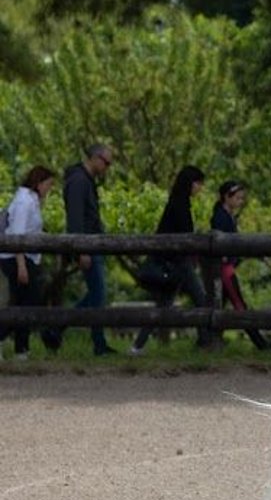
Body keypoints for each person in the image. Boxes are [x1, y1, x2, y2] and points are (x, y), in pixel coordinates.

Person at [129, 165, 213, 354]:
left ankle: (137, 346)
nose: (200, 188)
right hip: (178, 262)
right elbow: (184, 235)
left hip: (173, 261)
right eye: (199, 184)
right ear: (191, 184)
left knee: (163, 305)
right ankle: (205, 342)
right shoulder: (180, 205)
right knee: (200, 300)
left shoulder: (176, 202)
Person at [209, 180, 271, 351]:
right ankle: (261, 344)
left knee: (219, 306)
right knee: (240, 306)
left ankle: (209, 340)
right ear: (227, 197)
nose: (240, 201)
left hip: (228, 267)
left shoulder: (228, 216)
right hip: (225, 269)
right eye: (238, 198)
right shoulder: (220, 217)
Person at [0, 166, 62, 359]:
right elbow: (17, 235)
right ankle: (7, 339)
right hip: (17, 258)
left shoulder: (32, 201)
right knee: (26, 303)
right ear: (39, 183)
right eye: (48, 185)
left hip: (28, 257)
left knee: (24, 303)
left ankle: (22, 348)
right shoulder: (24, 202)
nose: (49, 189)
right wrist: (21, 265)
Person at [63, 143, 117, 355]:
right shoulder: (78, 181)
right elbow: (76, 219)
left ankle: (57, 329)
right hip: (87, 246)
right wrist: (81, 249)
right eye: (107, 162)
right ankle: (57, 328)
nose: (107, 167)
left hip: (92, 245)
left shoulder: (85, 181)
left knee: (96, 295)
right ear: (95, 158)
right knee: (98, 295)